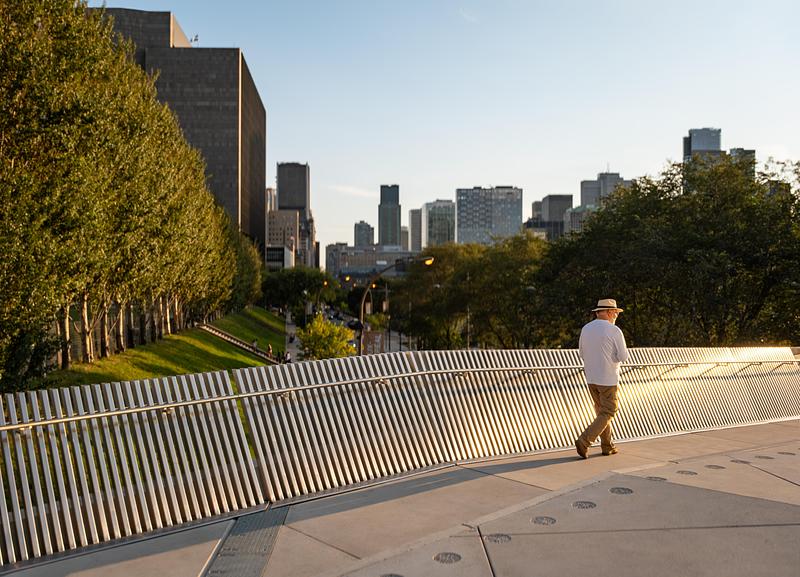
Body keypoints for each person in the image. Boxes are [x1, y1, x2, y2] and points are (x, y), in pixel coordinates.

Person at [575, 298, 629, 459]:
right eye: (616, 313)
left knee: (601, 412)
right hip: (608, 378)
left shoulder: (586, 328)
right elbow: (623, 356)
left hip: (591, 378)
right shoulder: (614, 330)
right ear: (610, 312)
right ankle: (584, 441)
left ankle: (607, 446)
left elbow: (581, 353)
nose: (617, 316)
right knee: (609, 411)